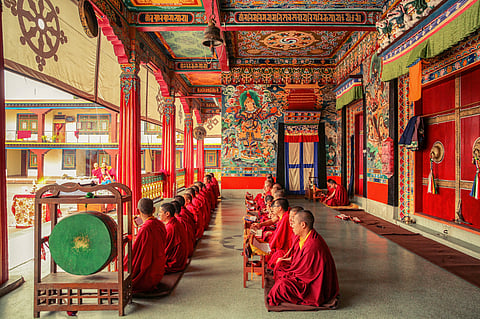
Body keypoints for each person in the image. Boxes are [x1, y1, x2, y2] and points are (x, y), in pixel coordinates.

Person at [267, 210, 339, 308]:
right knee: (280, 267)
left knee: (280, 288)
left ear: (303, 225)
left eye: (294, 223)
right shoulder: (304, 237)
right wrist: (286, 262)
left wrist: (289, 274)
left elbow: (306, 275)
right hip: (301, 272)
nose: (291, 225)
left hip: (313, 285)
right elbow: (298, 259)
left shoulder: (312, 245)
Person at [123, 198, 166, 293]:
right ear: (154, 210)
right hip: (158, 271)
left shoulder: (145, 228)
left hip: (147, 277)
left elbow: (135, 252)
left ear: (138, 211)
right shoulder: (160, 224)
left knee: (125, 266)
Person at [159, 203, 188, 273]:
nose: (159, 215)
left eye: (160, 212)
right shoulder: (174, 222)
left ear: (167, 214)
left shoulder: (170, 227)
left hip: (175, 262)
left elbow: (165, 248)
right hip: (181, 259)